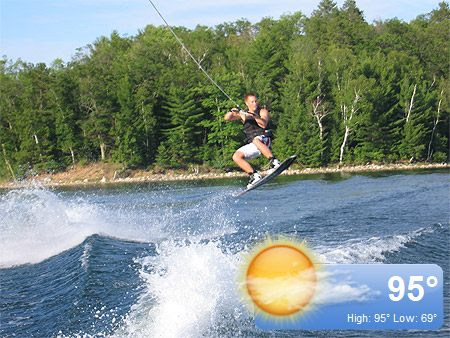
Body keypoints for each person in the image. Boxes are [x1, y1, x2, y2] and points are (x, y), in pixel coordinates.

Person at [224, 93, 281, 188]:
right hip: (254, 144)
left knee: (256, 140)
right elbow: (227, 118)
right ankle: (254, 175)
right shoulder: (243, 115)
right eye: (252, 102)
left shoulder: (263, 112)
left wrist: (254, 116)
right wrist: (231, 111)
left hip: (264, 140)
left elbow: (263, 124)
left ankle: (274, 162)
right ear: (247, 103)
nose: (255, 103)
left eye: (256, 101)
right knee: (236, 156)